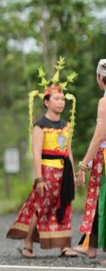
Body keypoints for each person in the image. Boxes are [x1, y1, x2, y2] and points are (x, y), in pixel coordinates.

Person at [6, 61, 77, 259]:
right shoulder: (40, 125)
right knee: (41, 208)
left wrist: (72, 174)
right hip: (47, 171)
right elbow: (36, 153)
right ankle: (28, 244)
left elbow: (68, 152)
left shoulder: (65, 125)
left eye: (62, 99)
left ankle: (64, 246)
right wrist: (39, 178)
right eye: (56, 99)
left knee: (64, 206)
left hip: (64, 172)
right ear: (46, 102)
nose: (61, 102)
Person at [74, 59, 106, 262]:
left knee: (101, 201)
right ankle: (91, 246)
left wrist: (83, 164)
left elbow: (99, 136)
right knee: (98, 201)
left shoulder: (104, 102)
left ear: (100, 77)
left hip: (104, 158)